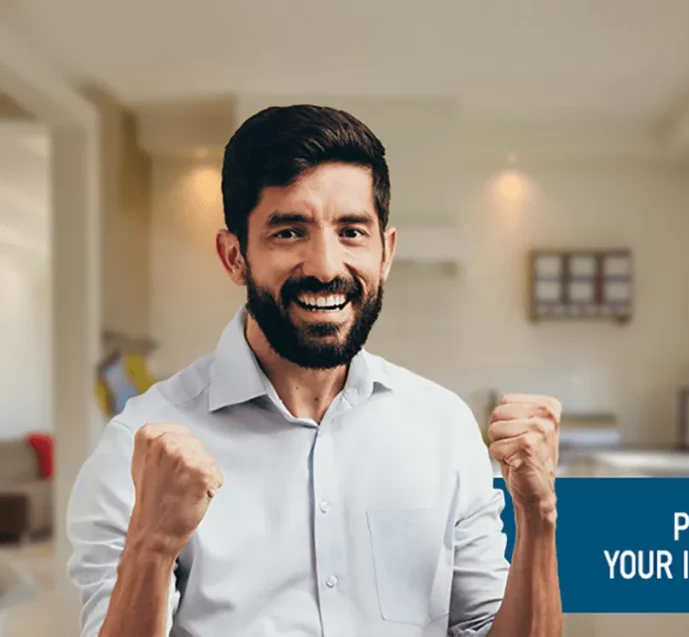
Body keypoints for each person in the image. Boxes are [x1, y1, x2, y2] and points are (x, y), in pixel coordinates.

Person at [66, 105, 562, 637]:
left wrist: (537, 516)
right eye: (289, 233)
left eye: (351, 231)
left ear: (386, 252)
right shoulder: (140, 447)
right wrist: (153, 545)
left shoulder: (443, 425)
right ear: (234, 256)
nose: (326, 266)